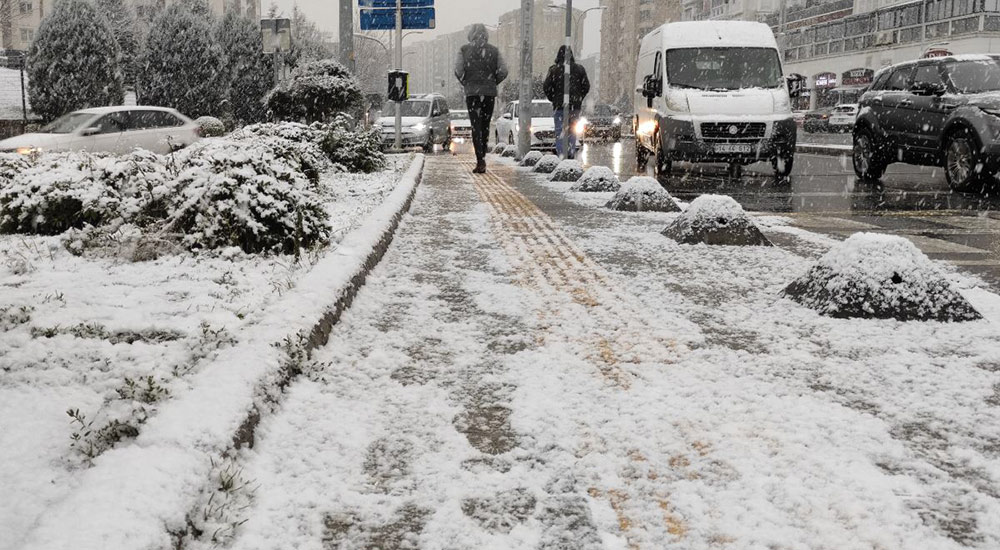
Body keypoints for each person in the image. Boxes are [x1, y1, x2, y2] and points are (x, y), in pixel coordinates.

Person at [455, 24, 508, 174]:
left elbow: (458, 70)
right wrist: (492, 82)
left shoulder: (464, 50)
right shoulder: (494, 50)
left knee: (475, 126)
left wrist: (466, 82)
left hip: (472, 94)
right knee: (485, 125)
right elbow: (504, 70)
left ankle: (480, 160)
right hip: (489, 93)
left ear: (470, 35)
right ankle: (483, 154)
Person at [543, 45, 590, 159]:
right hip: (574, 107)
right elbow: (586, 86)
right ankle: (570, 154)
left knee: (560, 132)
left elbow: (546, 87)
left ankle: (561, 155)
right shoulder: (580, 69)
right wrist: (578, 98)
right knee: (572, 131)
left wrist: (554, 98)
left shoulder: (554, 70)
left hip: (559, 107)